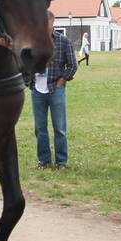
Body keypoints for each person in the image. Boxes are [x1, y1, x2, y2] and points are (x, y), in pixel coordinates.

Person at [30, 12, 77, 169]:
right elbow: (24, 63)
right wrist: (28, 82)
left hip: (56, 89)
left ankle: (61, 161)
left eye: (46, 23)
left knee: (60, 128)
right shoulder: (32, 42)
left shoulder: (63, 41)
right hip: (37, 90)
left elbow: (72, 65)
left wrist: (62, 80)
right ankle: (43, 160)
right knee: (40, 128)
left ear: (52, 22)